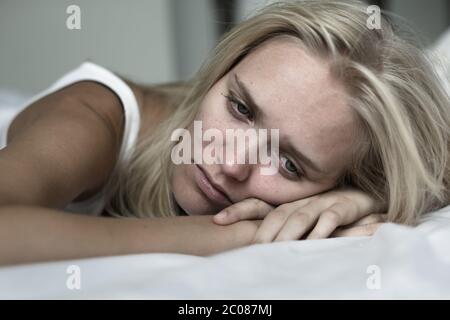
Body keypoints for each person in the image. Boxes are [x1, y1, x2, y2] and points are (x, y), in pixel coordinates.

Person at [0, 0, 449, 266]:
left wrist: (368, 198)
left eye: (289, 164)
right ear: (222, 69)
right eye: (240, 108)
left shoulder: (343, 184)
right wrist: (236, 236)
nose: (230, 163)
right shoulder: (93, 115)